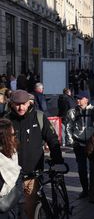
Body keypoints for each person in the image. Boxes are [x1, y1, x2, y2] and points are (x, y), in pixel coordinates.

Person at [4, 90, 63, 219]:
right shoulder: (6, 120)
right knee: (12, 209)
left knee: (30, 209)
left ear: (29, 103)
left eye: (23, 104)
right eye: (17, 104)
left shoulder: (39, 117)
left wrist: (58, 160)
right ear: (12, 104)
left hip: (33, 173)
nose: (21, 107)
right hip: (11, 175)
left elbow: (52, 139)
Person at [66, 91, 94, 198]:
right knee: (81, 168)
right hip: (79, 143)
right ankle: (85, 190)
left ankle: (93, 190)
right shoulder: (72, 112)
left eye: (80, 98)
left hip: (92, 144)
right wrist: (71, 142)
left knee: (93, 169)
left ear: (86, 99)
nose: (78, 100)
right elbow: (69, 127)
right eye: (77, 98)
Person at [0, 118, 24, 219]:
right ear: (5, 138)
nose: (15, 137)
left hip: (13, 205)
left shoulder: (13, 152)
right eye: (13, 134)